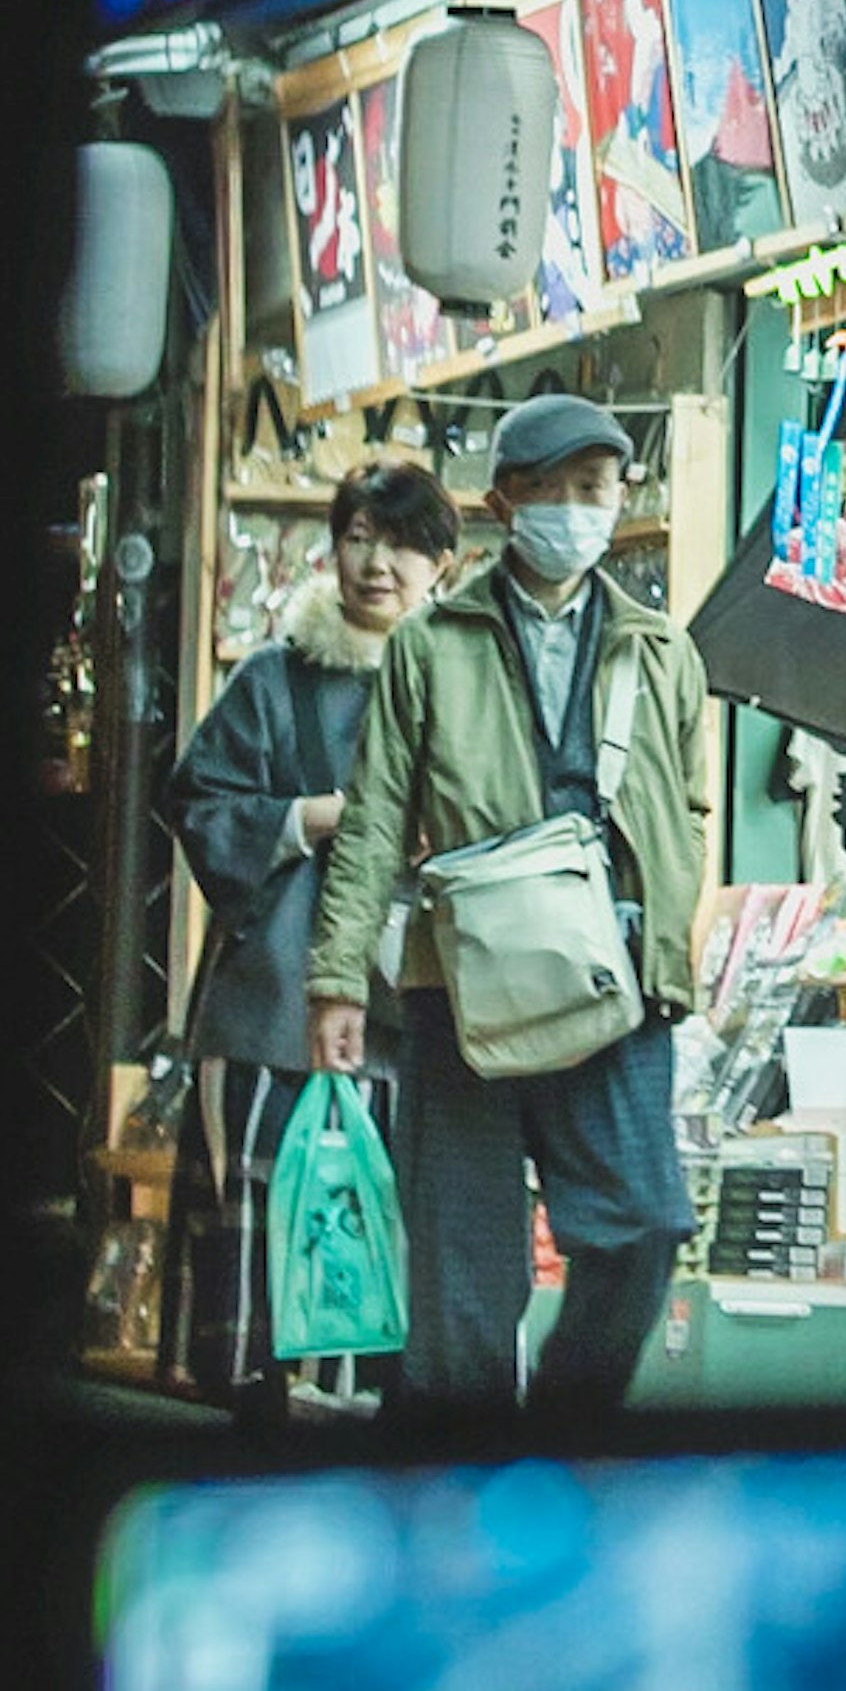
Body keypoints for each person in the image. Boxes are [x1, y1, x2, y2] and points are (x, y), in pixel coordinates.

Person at [306, 394, 715, 1409]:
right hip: (462, 989)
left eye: (595, 490)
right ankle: (466, 1492)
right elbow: (374, 820)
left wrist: (666, 958)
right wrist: (335, 981)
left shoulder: (659, 648)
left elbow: (688, 809)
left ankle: (564, 1434)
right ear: (502, 503)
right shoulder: (430, 643)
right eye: (550, 491)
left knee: (645, 1225)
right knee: (463, 1281)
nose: (576, 511)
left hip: (609, 991)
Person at [164, 456, 456, 1415]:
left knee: (381, 1238)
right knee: (256, 1229)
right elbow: (200, 799)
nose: (378, 561)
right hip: (269, 1008)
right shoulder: (274, 680)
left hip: (409, 1017)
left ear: (443, 567)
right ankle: (245, 1423)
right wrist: (314, 816)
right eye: (360, 536)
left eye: (406, 541)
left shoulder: (460, 689)